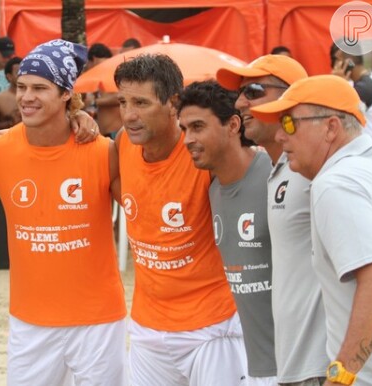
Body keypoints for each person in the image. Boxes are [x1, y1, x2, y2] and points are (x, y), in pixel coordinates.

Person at [0, 39, 126, 385]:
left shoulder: (103, 152)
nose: (26, 96)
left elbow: (142, 205)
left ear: (66, 94)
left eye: (40, 88)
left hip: (97, 319)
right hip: (31, 320)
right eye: (22, 86)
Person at [114, 53, 247, 385]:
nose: (129, 115)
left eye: (141, 103)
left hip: (211, 327)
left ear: (173, 103)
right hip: (147, 328)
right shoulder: (122, 145)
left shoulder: (203, 154)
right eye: (123, 102)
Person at [251, 74, 372, 386]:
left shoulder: (334, 184)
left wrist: (342, 375)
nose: (281, 138)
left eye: (289, 123)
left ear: (331, 127)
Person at [217, 54, 328, 385]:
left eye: (252, 90)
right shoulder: (276, 170)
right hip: (280, 364)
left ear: (291, 96)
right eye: (239, 93)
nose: (239, 102)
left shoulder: (319, 172)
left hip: (323, 366)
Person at [179, 80, 276, 385]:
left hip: (302, 362)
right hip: (255, 363)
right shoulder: (213, 188)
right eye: (184, 129)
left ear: (233, 124)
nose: (187, 139)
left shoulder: (276, 175)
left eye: (197, 127)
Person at [330, 44, 372, 150]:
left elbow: (338, 114)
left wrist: (338, 84)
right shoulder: (370, 80)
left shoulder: (364, 88)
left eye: (337, 60)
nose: (334, 66)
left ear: (349, 62)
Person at [0, 56, 20, 131]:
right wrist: (10, 123)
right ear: (9, 77)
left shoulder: (33, 97)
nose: (21, 75)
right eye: (18, 73)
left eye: (23, 72)